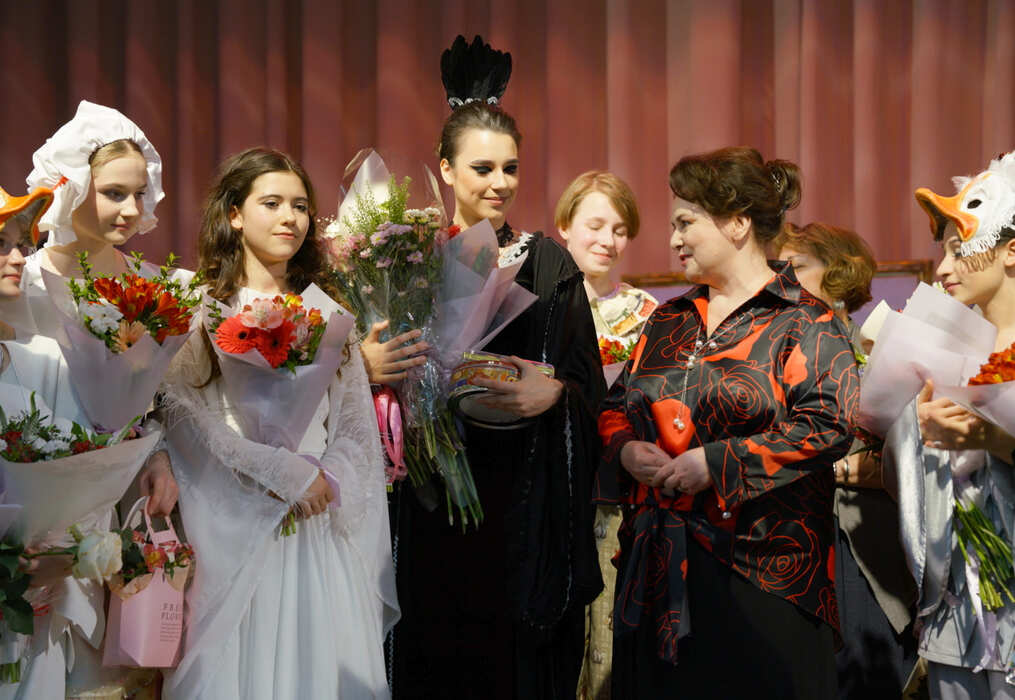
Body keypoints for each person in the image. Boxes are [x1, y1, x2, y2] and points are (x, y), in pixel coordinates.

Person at [598, 147, 858, 699]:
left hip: (763, 577)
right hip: (658, 570)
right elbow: (615, 405)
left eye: (685, 223)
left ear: (738, 223)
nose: (673, 239)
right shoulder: (668, 319)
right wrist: (626, 449)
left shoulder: (802, 320)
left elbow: (828, 424)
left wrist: (716, 463)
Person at [390, 36, 604, 699]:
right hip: (427, 502)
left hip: (522, 502)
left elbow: (589, 387)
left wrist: (555, 395)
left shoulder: (548, 263)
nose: (499, 183)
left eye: (510, 168)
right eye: (482, 168)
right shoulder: (402, 259)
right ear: (445, 169)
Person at [159, 148, 397, 699]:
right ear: (234, 214)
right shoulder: (198, 306)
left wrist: (322, 476)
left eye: (300, 206)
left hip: (315, 521)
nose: (290, 217)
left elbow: (354, 423)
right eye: (272, 203)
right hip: (235, 519)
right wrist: (275, 471)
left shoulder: (327, 310)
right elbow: (182, 415)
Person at [0, 169, 156, 699]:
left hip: (33, 605)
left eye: (21, 243)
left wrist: (59, 555)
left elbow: (82, 474)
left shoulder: (50, 358)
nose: (17, 256)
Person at [776, 222, 919, 696]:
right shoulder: (774, 349)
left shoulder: (875, 351)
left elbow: (909, 454)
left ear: (838, 275)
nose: (783, 275)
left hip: (862, 547)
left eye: (797, 266)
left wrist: (840, 469)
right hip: (796, 548)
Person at [17, 100, 177, 518]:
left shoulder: (156, 287)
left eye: (139, 194)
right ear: (70, 186)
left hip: (123, 491)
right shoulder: (19, 283)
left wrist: (157, 453)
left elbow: (162, 398)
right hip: (32, 491)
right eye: (114, 193)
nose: (132, 210)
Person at [902, 153, 1015, 698]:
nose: (943, 269)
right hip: (957, 605)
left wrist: (992, 437)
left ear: (1011, 250)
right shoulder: (946, 351)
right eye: (942, 252)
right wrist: (913, 425)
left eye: (958, 249)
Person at [554, 170, 656, 700]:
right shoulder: (541, 304)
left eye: (619, 230)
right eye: (595, 225)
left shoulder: (647, 313)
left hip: (618, 486)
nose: (607, 240)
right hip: (555, 480)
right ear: (565, 226)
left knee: (612, 625)